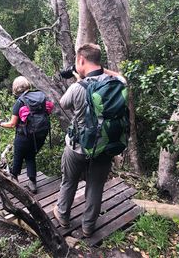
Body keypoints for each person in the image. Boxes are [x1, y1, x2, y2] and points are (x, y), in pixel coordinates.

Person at [53, 43, 126, 237]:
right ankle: (88, 226)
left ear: (81, 60)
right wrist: (100, 70)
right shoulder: (116, 83)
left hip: (78, 147)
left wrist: (80, 78)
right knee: (95, 186)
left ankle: (63, 215)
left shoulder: (78, 87)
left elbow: (63, 104)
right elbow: (122, 77)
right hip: (104, 147)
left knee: (69, 181)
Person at [0, 76, 51, 194]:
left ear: (16, 88)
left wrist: (0, 123)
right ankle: (32, 182)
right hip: (40, 135)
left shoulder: (20, 102)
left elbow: (12, 124)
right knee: (30, 156)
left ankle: (14, 181)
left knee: (18, 156)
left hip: (24, 136)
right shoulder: (39, 95)